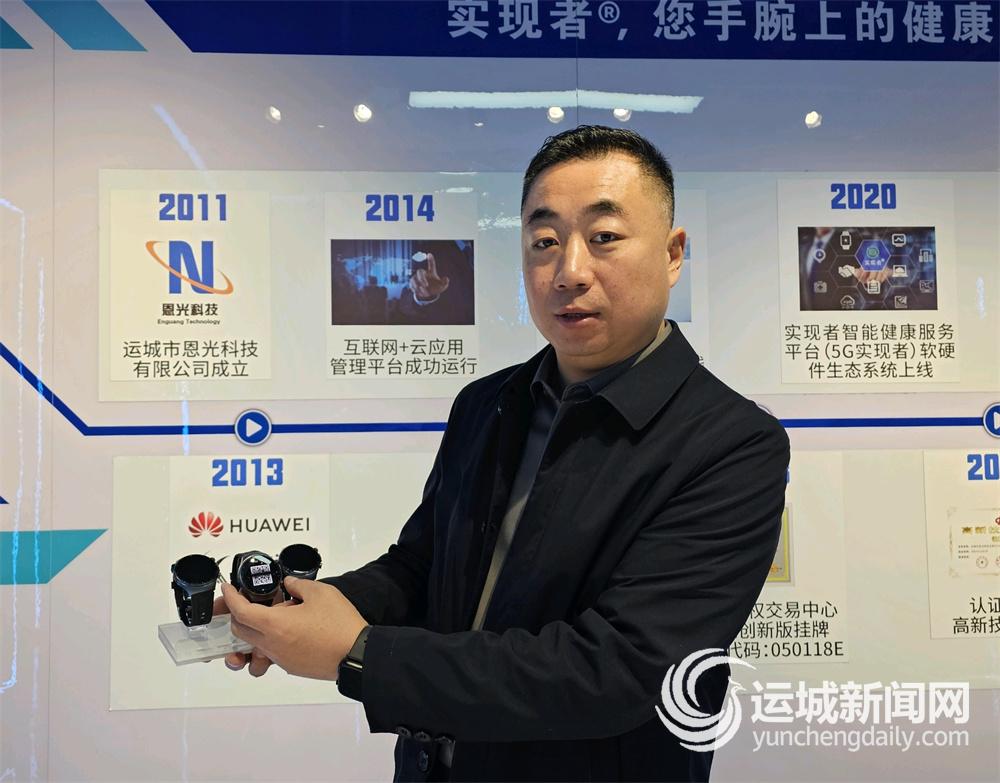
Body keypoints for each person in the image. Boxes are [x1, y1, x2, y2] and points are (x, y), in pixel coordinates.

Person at [215, 125, 790, 782]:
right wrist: (297, 609)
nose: (570, 271)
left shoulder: (732, 443)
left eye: (604, 237)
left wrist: (360, 654)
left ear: (672, 252)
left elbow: (618, 671)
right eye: (545, 242)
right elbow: (422, 568)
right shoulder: (488, 402)